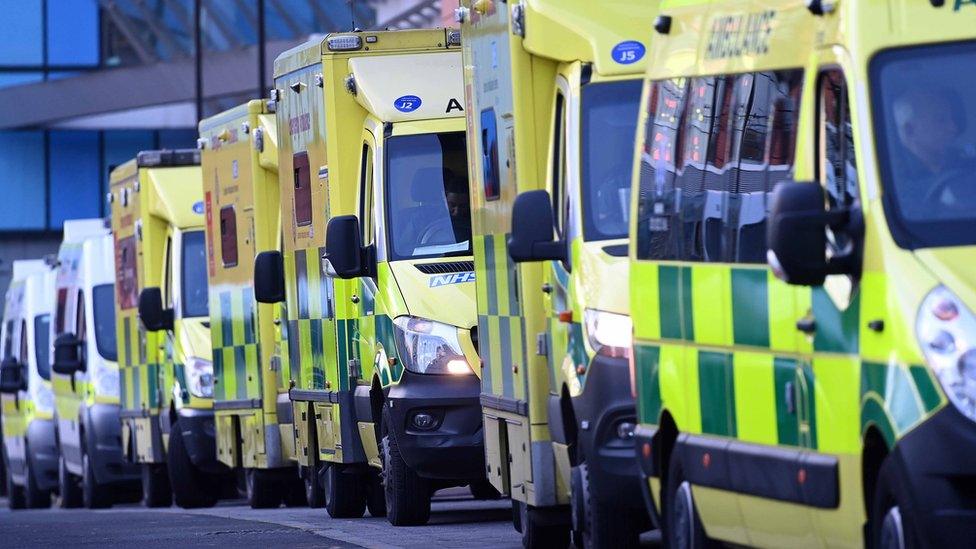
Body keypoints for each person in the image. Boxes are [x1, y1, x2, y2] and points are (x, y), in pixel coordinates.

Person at [892, 88, 976, 216]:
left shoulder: (967, 163)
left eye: (951, 119)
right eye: (941, 120)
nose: (953, 128)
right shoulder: (889, 176)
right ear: (910, 130)